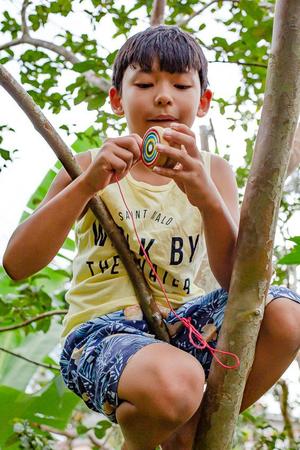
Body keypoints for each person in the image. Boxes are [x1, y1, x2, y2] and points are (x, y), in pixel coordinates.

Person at [3, 25, 300, 450]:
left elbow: (240, 286)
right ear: (116, 98)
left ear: (202, 102)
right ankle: (153, 434)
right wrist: (86, 184)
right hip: (101, 336)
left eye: (180, 85)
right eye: (144, 83)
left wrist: (208, 200)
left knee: (287, 314)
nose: (163, 96)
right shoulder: (87, 164)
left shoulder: (214, 172)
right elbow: (17, 263)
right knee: (178, 381)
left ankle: (191, 432)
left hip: (185, 327)